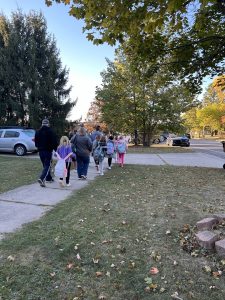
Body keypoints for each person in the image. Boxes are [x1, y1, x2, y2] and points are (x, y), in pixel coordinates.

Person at [35, 118, 58, 187]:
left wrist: (38, 147)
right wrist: (56, 150)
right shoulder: (51, 131)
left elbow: (36, 143)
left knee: (45, 166)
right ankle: (42, 178)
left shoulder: (38, 131)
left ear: (42, 124)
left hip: (41, 151)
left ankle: (48, 178)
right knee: (47, 165)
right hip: (48, 151)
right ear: (48, 124)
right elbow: (54, 142)